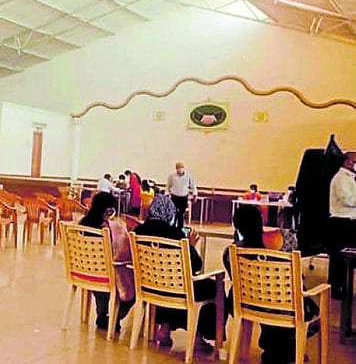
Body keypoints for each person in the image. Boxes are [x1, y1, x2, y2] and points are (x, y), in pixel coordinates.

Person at [223, 205, 318, 364]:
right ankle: (285, 348)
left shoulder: (231, 252)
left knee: (264, 297)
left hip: (250, 305)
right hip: (287, 306)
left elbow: (234, 279)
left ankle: (278, 348)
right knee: (287, 292)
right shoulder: (287, 239)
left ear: (237, 227)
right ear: (261, 220)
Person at [134, 194, 216, 348]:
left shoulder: (139, 231)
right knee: (210, 287)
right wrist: (190, 245)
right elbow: (196, 266)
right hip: (176, 288)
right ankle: (198, 336)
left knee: (170, 284)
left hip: (149, 285)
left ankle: (165, 328)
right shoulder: (176, 235)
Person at [78, 192, 135, 332]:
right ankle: (115, 316)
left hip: (85, 270)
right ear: (108, 210)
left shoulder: (82, 223)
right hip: (105, 274)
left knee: (101, 289)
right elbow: (114, 251)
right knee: (131, 288)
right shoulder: (104, 227)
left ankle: (102, 314)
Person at [328, 151, 356, 298]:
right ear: (347, 162)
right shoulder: (340, 179)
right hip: (341, 222)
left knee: (349, 257)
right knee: (339, 257)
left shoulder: (351, 178)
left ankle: (346, 285)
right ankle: (337, 288)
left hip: (350, 222)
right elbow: (348, 200)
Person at [166, 162, 197, 228]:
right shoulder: (171, 176)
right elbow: (168, 186)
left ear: (183, 168)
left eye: (180, 168)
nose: (179, 170)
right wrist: (167, 195)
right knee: (174, 213)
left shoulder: (188, 176)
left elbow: (193, 186)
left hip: (183, 197)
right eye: (177, 168)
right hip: (174, 197)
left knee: (181, 214)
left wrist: (195, 195)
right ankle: (172, 227)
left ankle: (180, 228)